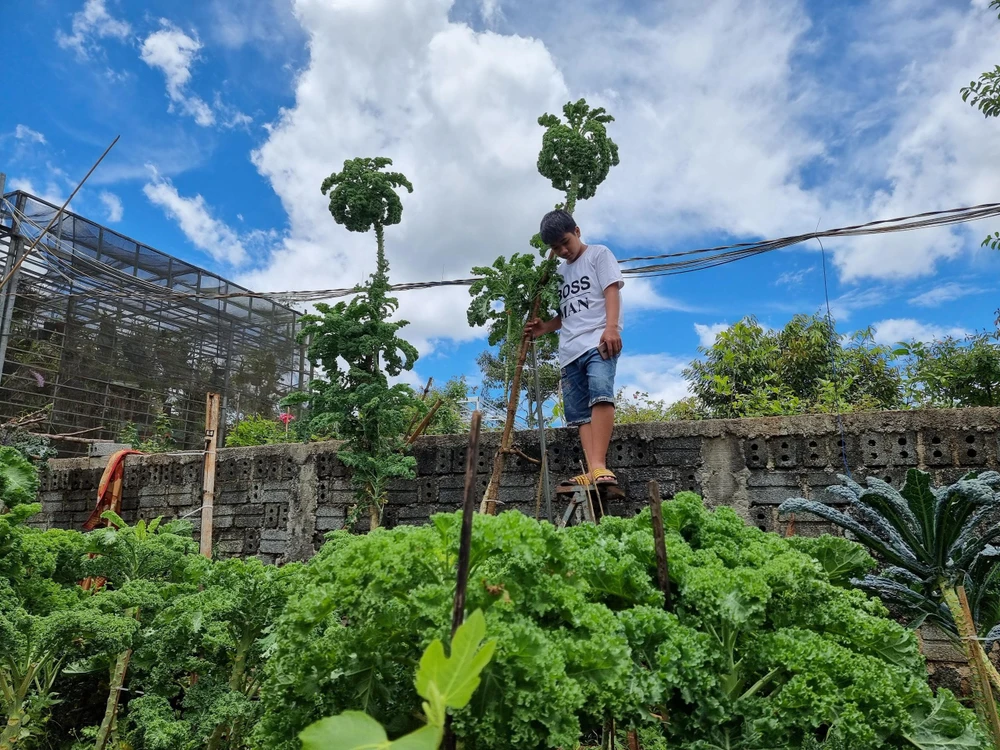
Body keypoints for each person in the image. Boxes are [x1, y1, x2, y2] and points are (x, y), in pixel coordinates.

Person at [525, 209, 623, 488]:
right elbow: (566, 314)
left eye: (565, 242)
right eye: (556, 248)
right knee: (580, 413)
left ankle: (599, 465)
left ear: (577, 232)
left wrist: (612, 327)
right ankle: (593, 469)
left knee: (601, 395)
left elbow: (612, 290)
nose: (563, 250)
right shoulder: (560, 273)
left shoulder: (599, 255)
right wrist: (545, 327)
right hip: (569, 351)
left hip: (598, 340)